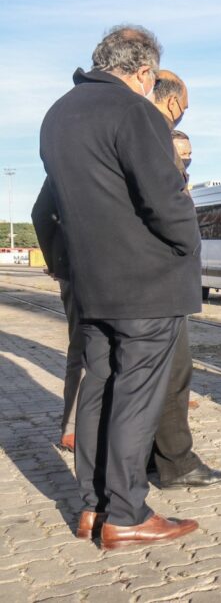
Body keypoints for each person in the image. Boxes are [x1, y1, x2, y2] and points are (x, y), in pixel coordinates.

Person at [39, 25, 200, 547]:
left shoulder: (58, 114)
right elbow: (164, 197)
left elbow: (48, 207)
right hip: (144, 282)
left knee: (99, 386)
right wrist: (187, 246)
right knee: (135, 395)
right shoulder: (135, 111)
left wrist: (65, 264)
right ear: (143, 72)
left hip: (91, 281)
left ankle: (93, 505)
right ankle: (126, 513)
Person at [145, 83, 221, 489]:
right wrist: (187, 247)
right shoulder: (150, 139)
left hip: (137, 282)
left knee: (144, 377)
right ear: (171, 101)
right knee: (173, 373)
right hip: (160, 281)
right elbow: (171, 215)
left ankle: (151, 457)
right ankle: (176, 463)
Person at [30, 178, 83, 453]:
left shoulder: (63, 158)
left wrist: (55, 262)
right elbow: (40, 214)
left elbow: (41, 214)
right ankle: (73, 428)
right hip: (86, 269)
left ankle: (74, 428)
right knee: (85, 350)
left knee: (82, 349)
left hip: (72, 267)